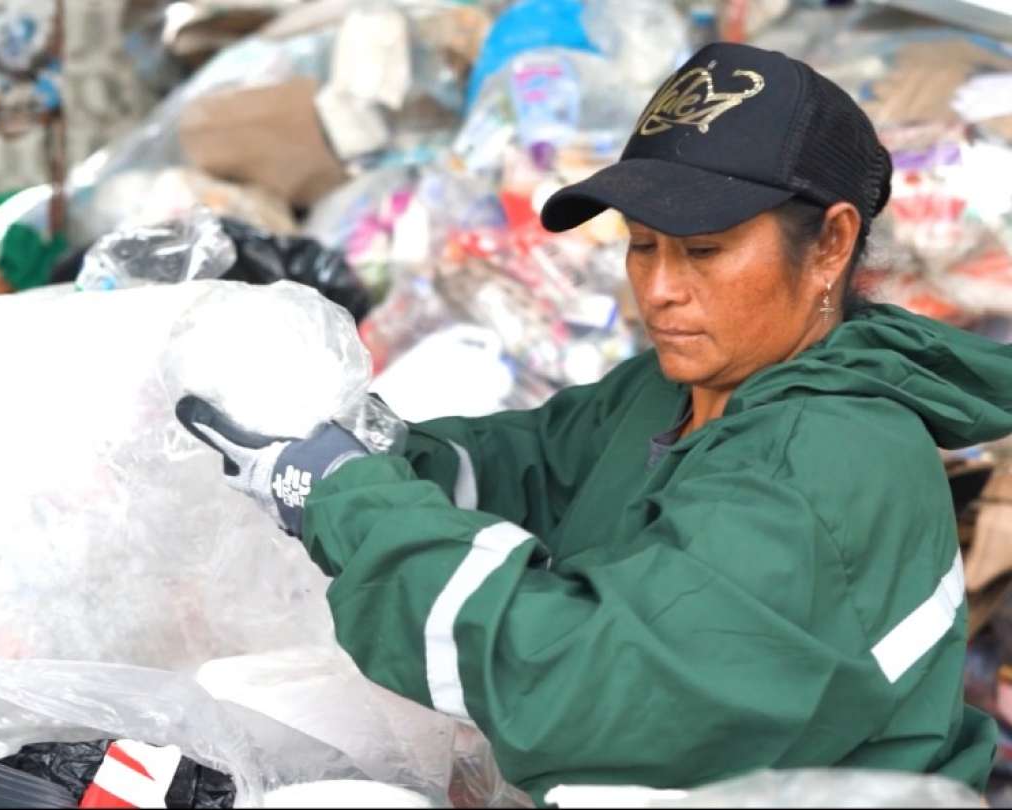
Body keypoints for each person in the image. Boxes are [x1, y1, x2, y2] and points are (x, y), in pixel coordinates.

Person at [177, 43, 1012, 803]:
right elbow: (526, 468)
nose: (658, 289)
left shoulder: (832, 460)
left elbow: (572, 685)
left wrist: (348, 499)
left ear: (830, 244)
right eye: (643, 246)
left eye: (705, 250)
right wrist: (364, 444)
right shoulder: (679, 388)